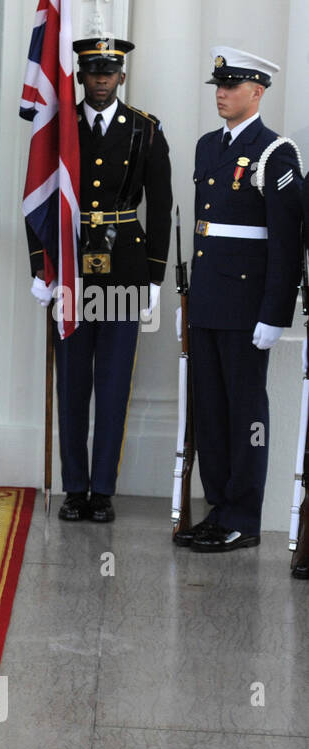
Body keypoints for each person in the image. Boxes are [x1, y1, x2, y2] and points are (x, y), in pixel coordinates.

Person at [28, 38, 170, 523]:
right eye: (92, 72)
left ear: (121, 77)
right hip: (71, 267)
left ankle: (102, 489)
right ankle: (74, 488)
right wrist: (38, 267)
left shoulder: (145, 131)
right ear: (80, 76)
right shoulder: (60, 130)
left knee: (112, 384)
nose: (101, 79)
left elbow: (162, 207)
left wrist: (154, 278)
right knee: (72, 381)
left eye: (109, 71)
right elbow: (39, 198)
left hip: (125, 269)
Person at [173, 47, 304, 553]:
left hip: (248, 308)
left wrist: (276, 314)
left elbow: (286, 242)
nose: (222, 94)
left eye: (232, 86)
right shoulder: (209, 146)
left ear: (258, 91)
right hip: (207, 301)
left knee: (246, 412)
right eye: (218, 86)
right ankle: (218, 509)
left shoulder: (276, 152)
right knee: (210, 411)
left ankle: (244, 516)